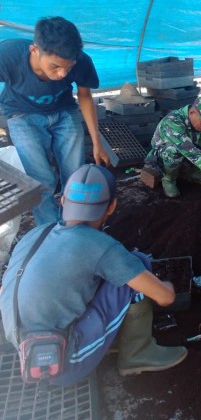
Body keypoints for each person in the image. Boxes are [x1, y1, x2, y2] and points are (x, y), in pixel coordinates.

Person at [0, 164, 187, 385]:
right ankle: (138, 353)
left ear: (62, 201)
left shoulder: (36, 233)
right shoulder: (99, 246)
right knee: (139, 264)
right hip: (62, 362)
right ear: (111, 207)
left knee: (105, 275)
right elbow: (166, 297)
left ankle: (107, 338)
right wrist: (167, 286)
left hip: (20, 341)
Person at [0, 16, 110, 225]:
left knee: (76, 176)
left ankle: (72, 225)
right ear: (34, 50)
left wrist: (97, 142)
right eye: (55, 66)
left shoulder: (81, 61)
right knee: (42, 181)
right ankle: (49, 231)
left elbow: (85, 96)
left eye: (68, 68)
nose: (62, 74)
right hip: (22, 116)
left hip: (64, 112)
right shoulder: (7, 55)